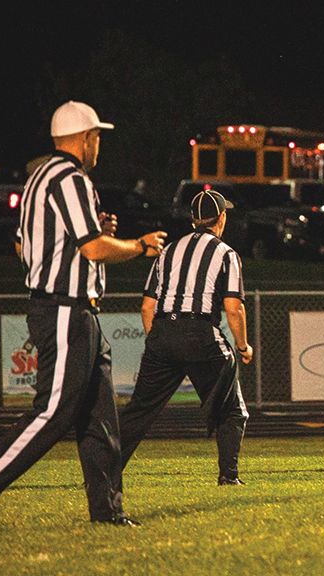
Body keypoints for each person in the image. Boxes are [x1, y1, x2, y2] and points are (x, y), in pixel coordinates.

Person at [0, 100, 167, 531]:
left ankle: (107, 510)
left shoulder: (38, 179)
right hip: (65, 308)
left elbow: (24, 245)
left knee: (100, 418)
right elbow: (93, 248)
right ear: (85, 138)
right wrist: (139, 246)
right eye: (97, 137)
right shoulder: (72, 177)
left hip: (71, 310)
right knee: (52, 412)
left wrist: (93, 234)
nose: (99, 145)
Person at [119, 188, 251, 486]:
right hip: (199, 333)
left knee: (138, 412)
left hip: (163, 332)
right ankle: (228, 476)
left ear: (193, 219)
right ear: (221, 218)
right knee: (232, 410)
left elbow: (147, 306)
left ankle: (104, 472)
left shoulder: (168, 251)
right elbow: (234, 309)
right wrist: (243, 346)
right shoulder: (226, 253)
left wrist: (159, 341)